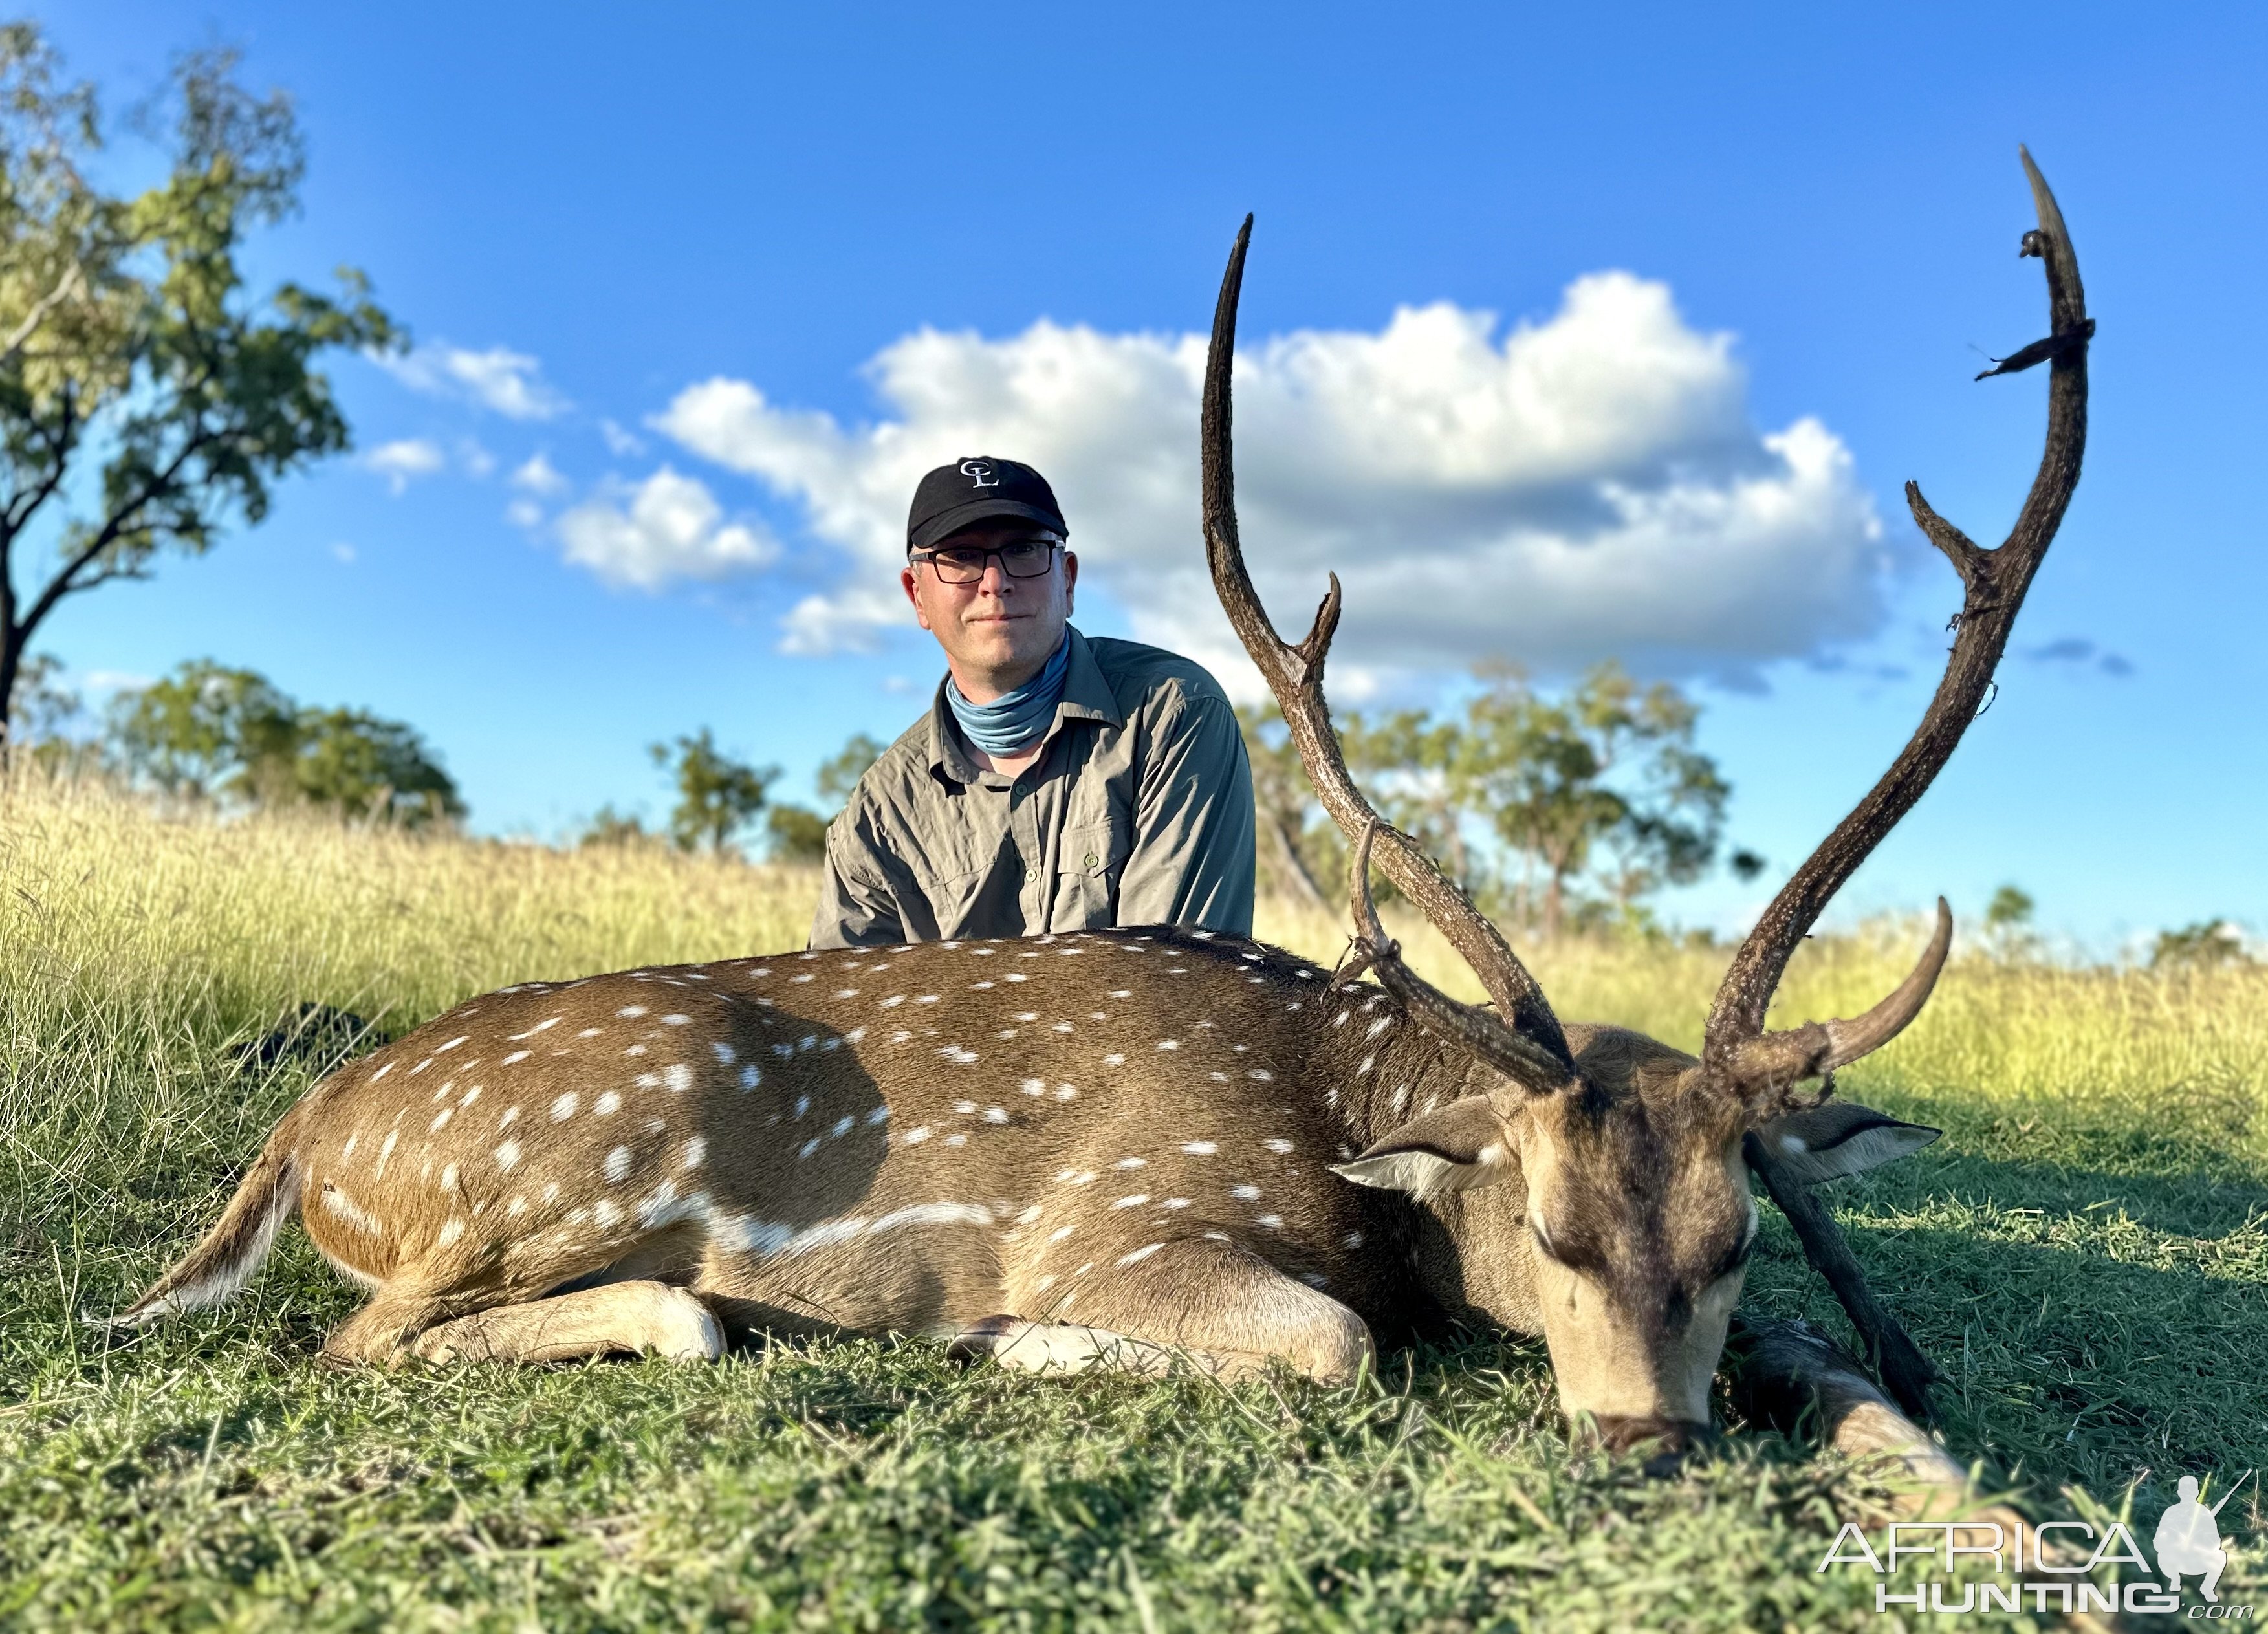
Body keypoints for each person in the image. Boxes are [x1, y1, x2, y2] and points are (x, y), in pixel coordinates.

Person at [810, 456, 1256, 948]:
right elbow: (841, 1015)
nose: (995, 582)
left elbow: (1169, 992)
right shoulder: (878, 815)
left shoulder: (1173, 714)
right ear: (917, 594)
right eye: (959, 556)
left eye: (1023, 550)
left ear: (1067, 580)